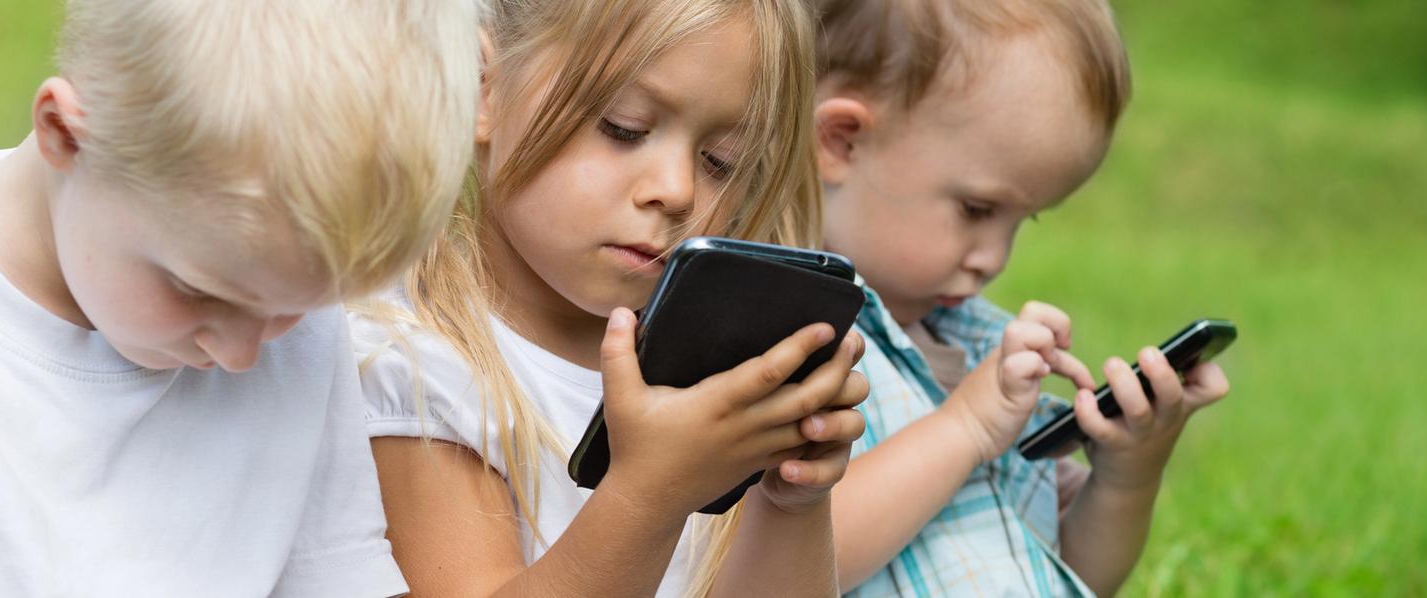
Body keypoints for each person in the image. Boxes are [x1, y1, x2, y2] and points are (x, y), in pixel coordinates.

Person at [0, 0, 477, 594]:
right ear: (66, 134)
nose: (245, 352)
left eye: (298, 308)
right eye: (195, 290)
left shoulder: (288, 317)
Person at [350, 1, 868, 596]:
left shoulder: (708, 376)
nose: (676, 190)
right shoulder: (416, 367)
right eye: (625, 128)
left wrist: (791, 503)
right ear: (482, 85)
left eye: (722, 162)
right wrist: (650, 492)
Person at [809, 0, 1232, 595]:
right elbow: (784, 567)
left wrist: (1128, 477)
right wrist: (965, 429)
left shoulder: (973, 347)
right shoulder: (785, 338)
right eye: (976, 210)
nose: (994, 257)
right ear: (843, 142)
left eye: (1022, 221)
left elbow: (1074, 574)